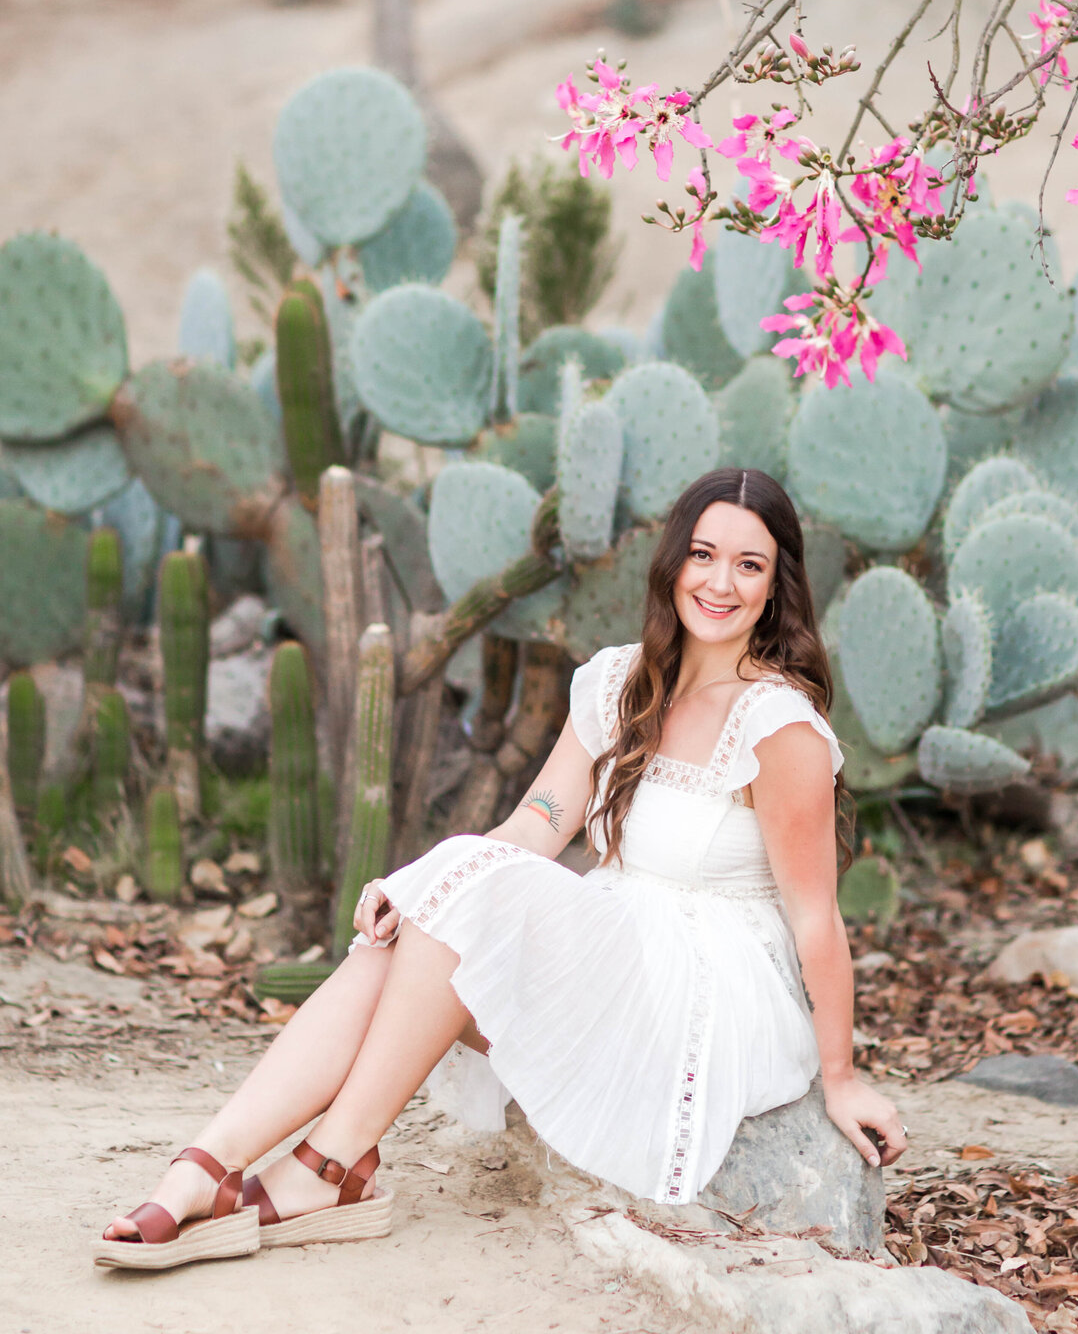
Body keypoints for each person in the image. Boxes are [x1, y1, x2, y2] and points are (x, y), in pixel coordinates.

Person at [97, 466, 906, 1270]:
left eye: (749, 564)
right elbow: (542, 821)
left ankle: (329, 1164)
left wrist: (841, 1076)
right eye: (703, 554)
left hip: (705, 989)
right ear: (673, 563)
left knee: (462, 901)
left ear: (776, 586)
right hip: (622, 943)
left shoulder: (777, 723)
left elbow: (815, 916)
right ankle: (211, 1162)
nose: (719, 582)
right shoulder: (622, 682)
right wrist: (425, 888)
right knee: (414, 928)